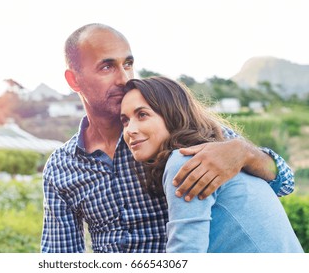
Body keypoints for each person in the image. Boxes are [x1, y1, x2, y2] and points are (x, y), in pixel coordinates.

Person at [41, 23, 295, 253]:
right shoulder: (60, 167)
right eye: (107, 67)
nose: (124, 78)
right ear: (74, 80)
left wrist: (245, 153)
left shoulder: (184, 135)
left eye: (128, 64)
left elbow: (284, 183)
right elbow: (60, 257)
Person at [120, 76, 303, 252]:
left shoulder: (186, 160)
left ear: (171, 115)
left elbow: (186, 256)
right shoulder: (214, 151)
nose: (130, 130)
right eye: (125, 121)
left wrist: (247, 151)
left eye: (142, 115)